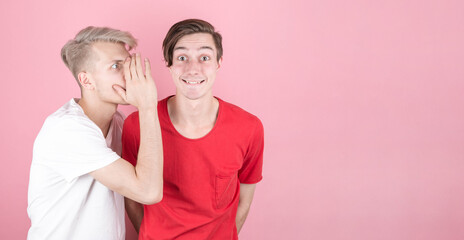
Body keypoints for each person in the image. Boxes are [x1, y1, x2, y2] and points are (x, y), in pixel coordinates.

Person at [123, 19, 264, 239]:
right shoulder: (135, 124)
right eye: (182, 58)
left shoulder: (249, 127)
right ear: (169, 64)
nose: (193, 69)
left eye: (204, 58)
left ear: (218, 63)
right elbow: (131, 198)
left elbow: (245, 197)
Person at [27, 26, 163, 240]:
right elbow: (148, 191)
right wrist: (147, 106)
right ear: (86, 80)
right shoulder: (68, 129)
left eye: (127, 64)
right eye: (116, 66)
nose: (129, 74)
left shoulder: (118, 122)